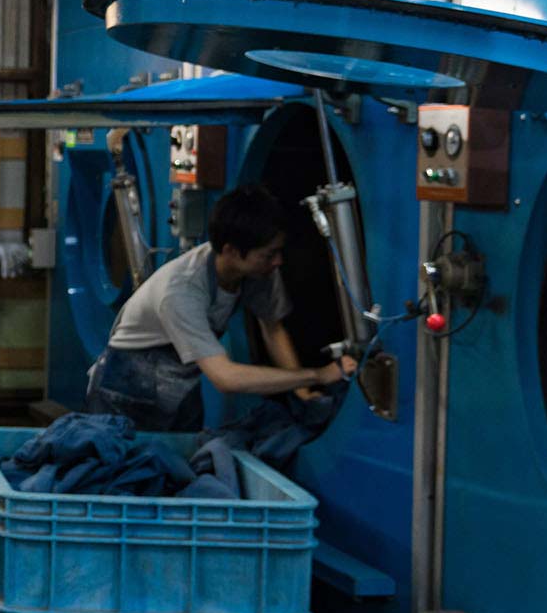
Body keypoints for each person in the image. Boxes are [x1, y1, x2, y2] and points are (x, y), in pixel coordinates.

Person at [87, 182, 356, 432]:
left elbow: (273, 328)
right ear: (230, 251)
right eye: (269, 254)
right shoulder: (181, 292)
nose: (278, 262)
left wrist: (302, 392)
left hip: (179, 386)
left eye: (278, 251)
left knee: (180, 470)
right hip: (125, 390)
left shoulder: (258, 271)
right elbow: (225, 378)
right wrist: (317, 375)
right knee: (122, 470)